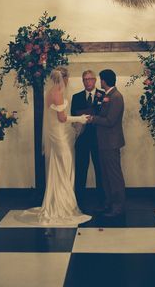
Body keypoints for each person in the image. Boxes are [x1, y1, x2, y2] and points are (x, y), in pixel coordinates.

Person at [19, 67, 91, 226]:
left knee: (58, 167)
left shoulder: (51, 91)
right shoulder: (57, 93)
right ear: (63, 78)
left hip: (59, 134)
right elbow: (62, 118)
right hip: (59, 137)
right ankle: (62, 206)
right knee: (65, 168)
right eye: (68, 78)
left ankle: (57, 201)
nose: (68, 81)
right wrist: (80, 118)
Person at [90, 69, 126, 218]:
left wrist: (94, 119)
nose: (100, 82)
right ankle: (109, 203)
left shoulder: (116, 97)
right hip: (103, 142)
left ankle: (118, 206)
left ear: (104, 81)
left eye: (100, 79)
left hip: (111, 142)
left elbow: (110, 121)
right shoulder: (107, 95)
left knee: (114, 176)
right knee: (105, 176)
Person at [71, 70, 105, 210]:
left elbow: (103, 114)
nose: (88, 81)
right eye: (85, 79)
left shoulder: (102, 95)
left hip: (99, 137)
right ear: (82, 81)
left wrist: (89, 115)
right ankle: (79, 200)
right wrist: (82, 118)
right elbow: (73, 116)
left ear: (95, 80)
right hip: (82, 138)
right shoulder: (76, 96)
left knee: (100, 169)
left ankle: (102, 199)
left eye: (90, 79)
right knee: (81, 169)